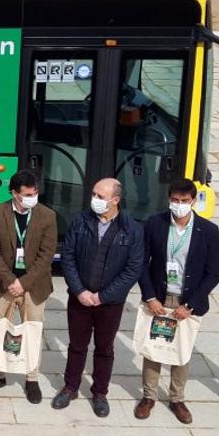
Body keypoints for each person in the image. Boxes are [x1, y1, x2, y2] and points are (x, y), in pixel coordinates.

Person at [54, 178, 146, 418]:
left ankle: (100, 393)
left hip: (109, 304)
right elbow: (68, 257)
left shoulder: (132, 229)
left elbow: (133, 269)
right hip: (80, 299)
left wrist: (103, 296)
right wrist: (80, 291)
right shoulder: (80, 221)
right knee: (77, 345)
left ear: (115, 200)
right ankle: (70, 387)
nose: (94, 199)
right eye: (94, 194)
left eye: (100, 196)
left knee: (105, 348)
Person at [135, 178, 219, 424]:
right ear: (169, 199)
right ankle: (149, 396)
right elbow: (141, 263)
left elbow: (213, 272)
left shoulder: (208, 230)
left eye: (184, 201)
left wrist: (190, 305)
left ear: (193, 201)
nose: (179, 205)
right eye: (175, 200)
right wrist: (150, 296)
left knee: (182, 350)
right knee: (154, 348)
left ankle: (177, 398)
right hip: (160, 297)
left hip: (188, 301)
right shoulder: (155, 223)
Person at [0, 170, 58, 404]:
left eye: (35, 193)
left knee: (33, 330)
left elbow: (46, 255)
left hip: (34, 285)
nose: (33, 198)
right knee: (0, 328)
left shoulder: (47, 216)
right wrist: (10, 281)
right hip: (3, 283)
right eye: (27, 194)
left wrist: (23, 283)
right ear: (14, 193)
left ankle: (31, 378)